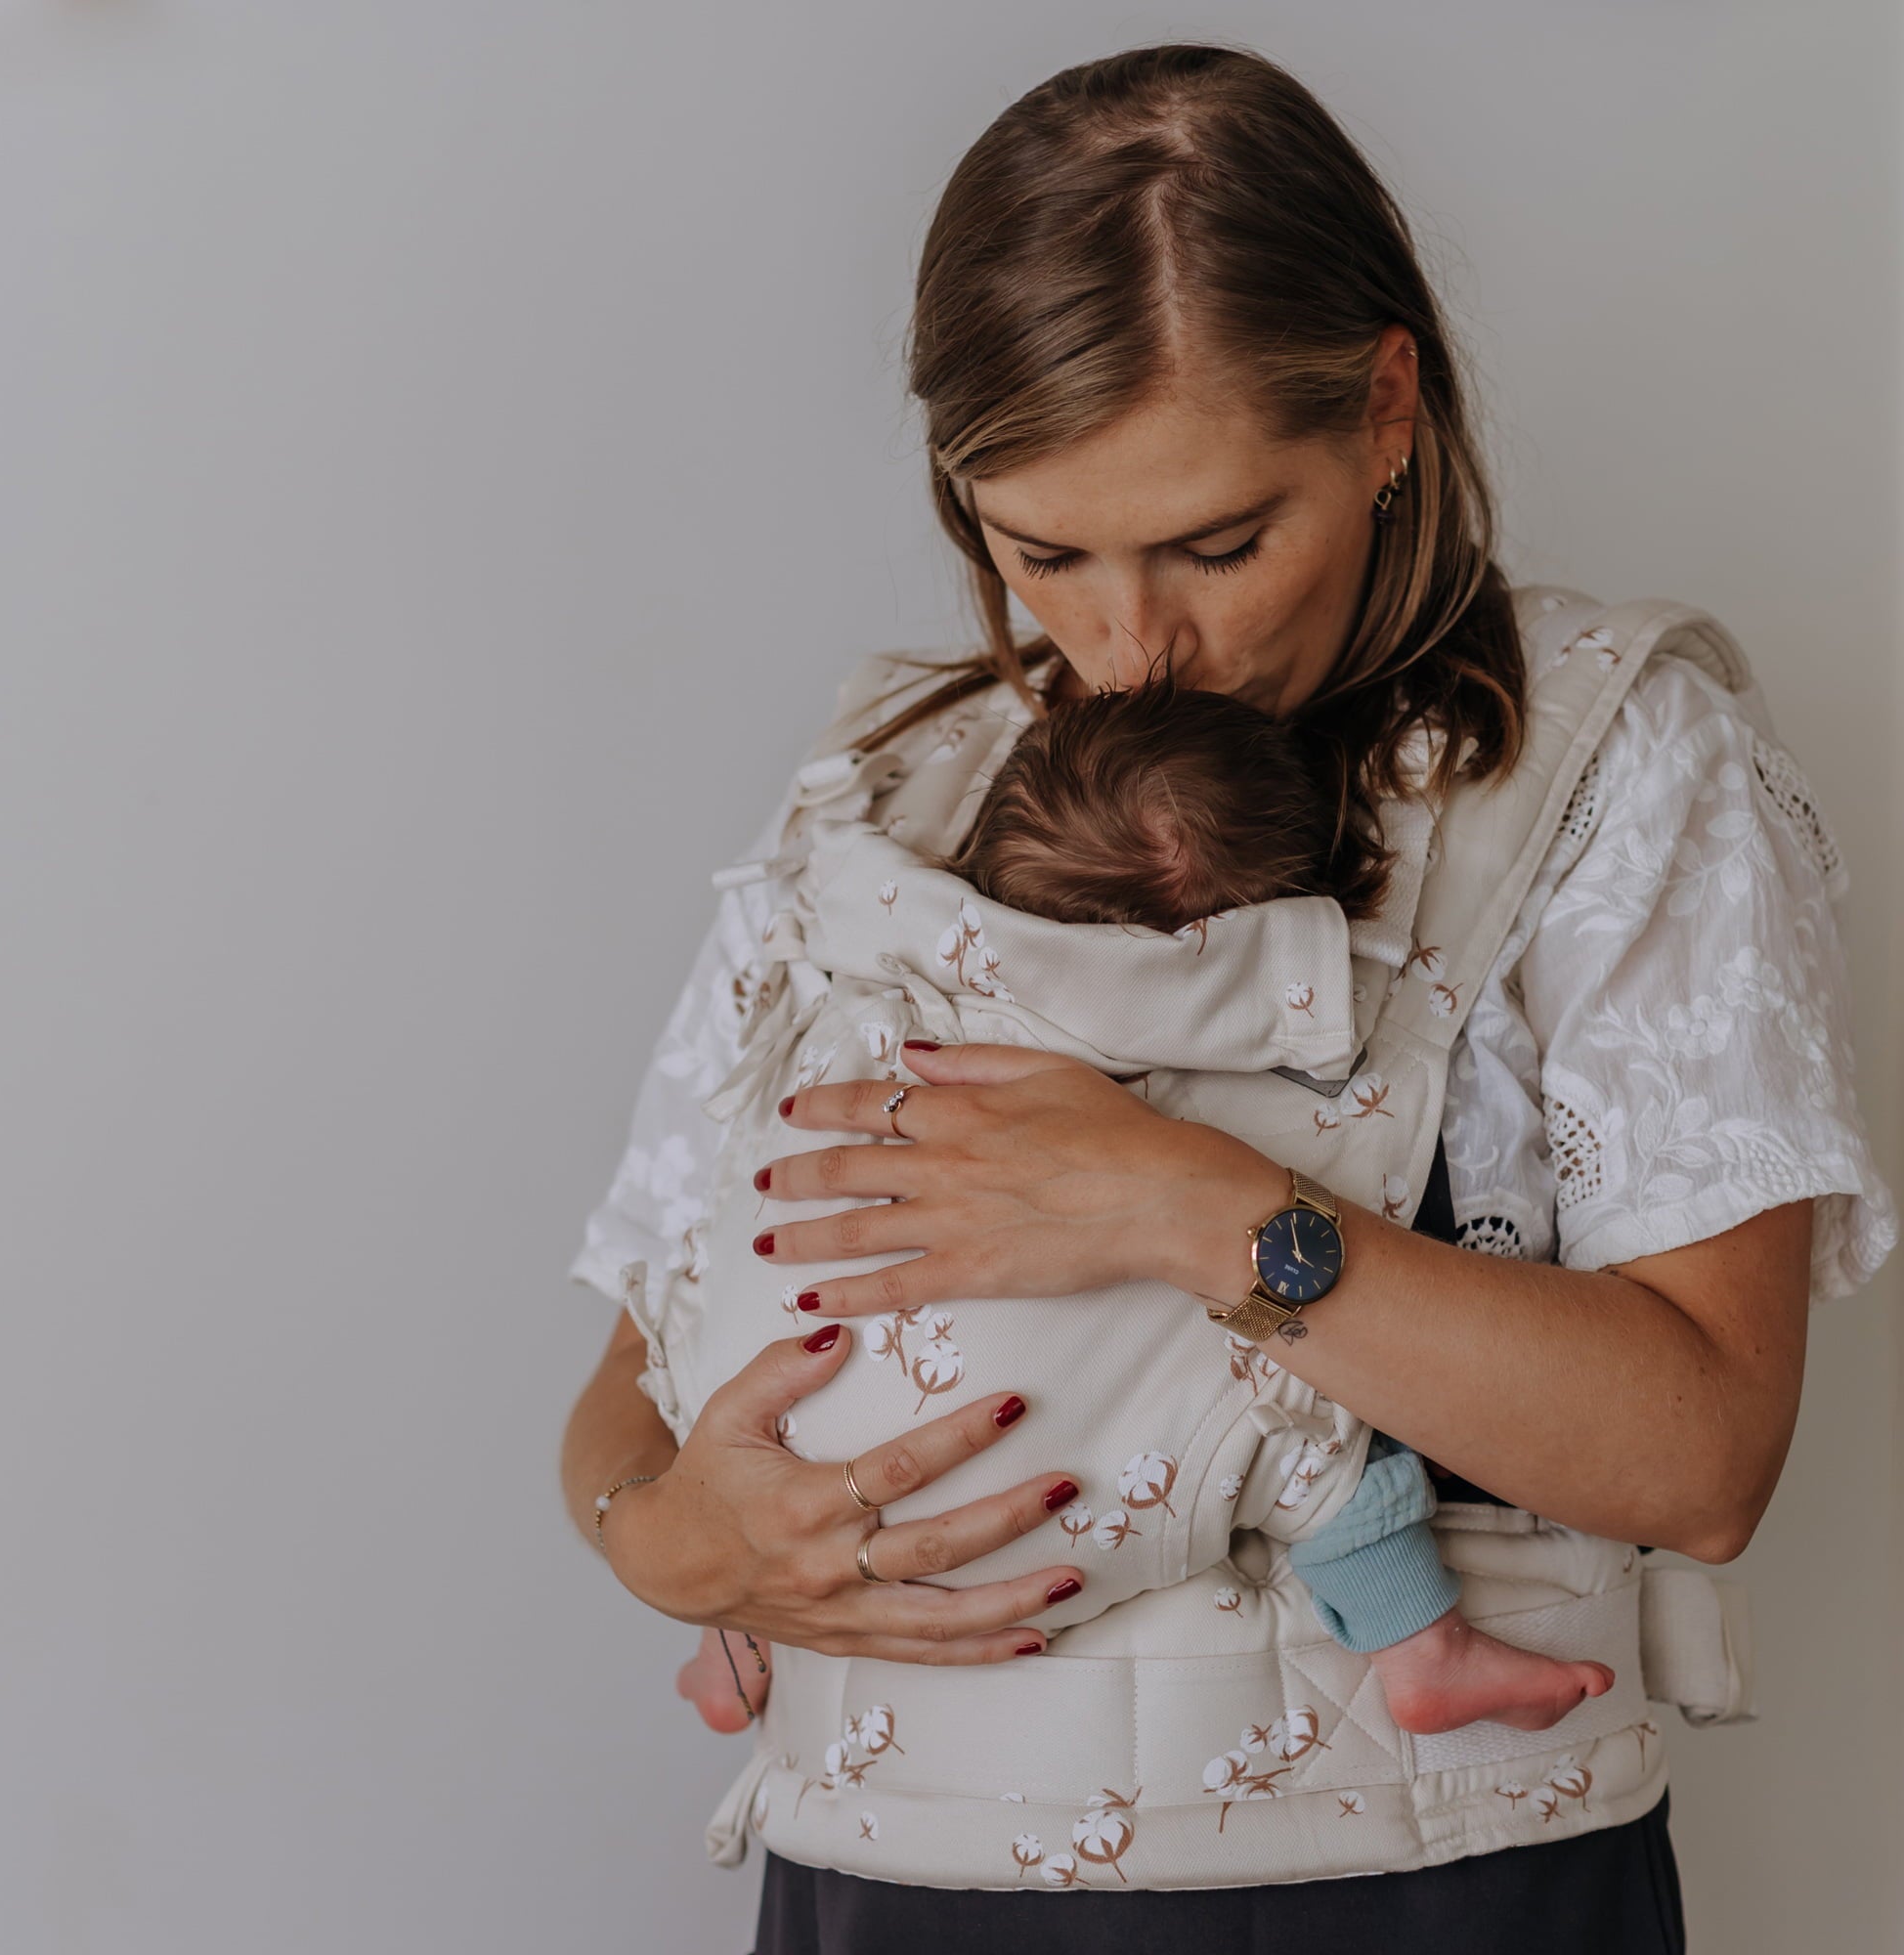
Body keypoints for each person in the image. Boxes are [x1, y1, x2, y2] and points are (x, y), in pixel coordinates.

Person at [560, 42, 1895, 1953]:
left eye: (1215, 542)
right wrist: (662, 1539)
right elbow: (629, 1371)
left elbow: (1698, 1465)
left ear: (1383, 407)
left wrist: (1178, 1204)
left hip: (1425, 1901)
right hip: (891, 1886)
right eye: (1043, 554)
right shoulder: (877, 789)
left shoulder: (1614, 754)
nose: (1125, 645)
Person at [663, 672, 1612, 1742]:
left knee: (732, 1267)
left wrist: (675, 1528)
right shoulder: (1230, 1041)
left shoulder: (860, 949)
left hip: (758, 1448)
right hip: (1026, 1503)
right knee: (1303, 1402)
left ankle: (735, 1639)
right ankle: (1417, 1644)